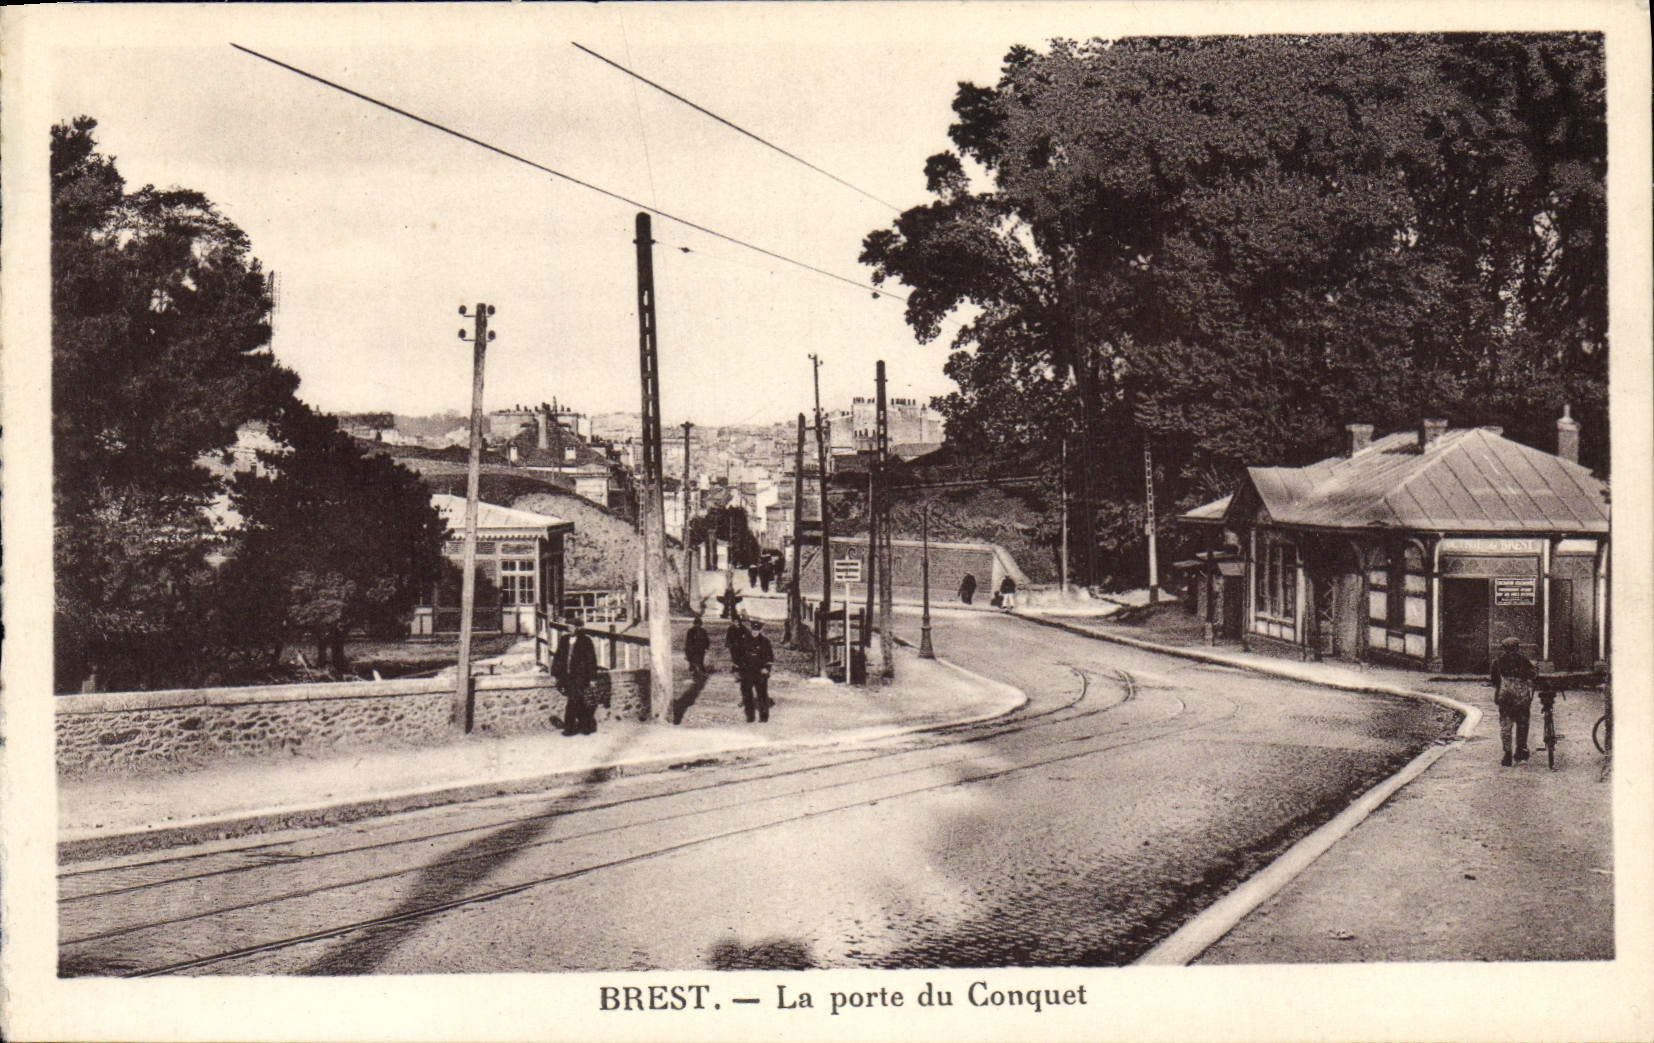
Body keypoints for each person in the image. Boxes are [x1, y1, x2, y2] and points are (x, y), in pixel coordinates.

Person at [1491, 635, 1536, 766]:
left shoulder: (1498, 662)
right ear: (1517, 647)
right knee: (1522, 723)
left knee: (1506, 725)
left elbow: (1494, 680)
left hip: (1505, 698)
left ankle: (1507, 754)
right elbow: (1532, 675)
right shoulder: (1523, 660)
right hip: (1521, 698)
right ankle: (1520, 750)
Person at [558, 614, 600, 736]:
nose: (569, 628)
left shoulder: (586, 641)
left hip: (580, 676)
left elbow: (591, 660)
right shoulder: (564, 640)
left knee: (572, 701)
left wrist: (592, 678)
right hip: (567, 675)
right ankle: (586, 726)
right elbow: (559, 657)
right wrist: (557, 673)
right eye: (568, 626)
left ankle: (569, 728)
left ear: (578, 628)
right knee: (579, 701)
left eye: (572, 626)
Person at [739, 619, 775, 723]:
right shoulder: (745, 640)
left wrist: (766, 669)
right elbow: (740, 656)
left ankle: (763, 717)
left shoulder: (765, 642)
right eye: (753, 630)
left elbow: (769, 657)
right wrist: (740, 669)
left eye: (757, 630)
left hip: (760, 673)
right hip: (748, 672)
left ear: (760, 630)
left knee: (762, 695)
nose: (755, 632)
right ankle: (750, 717)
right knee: (747, 695)